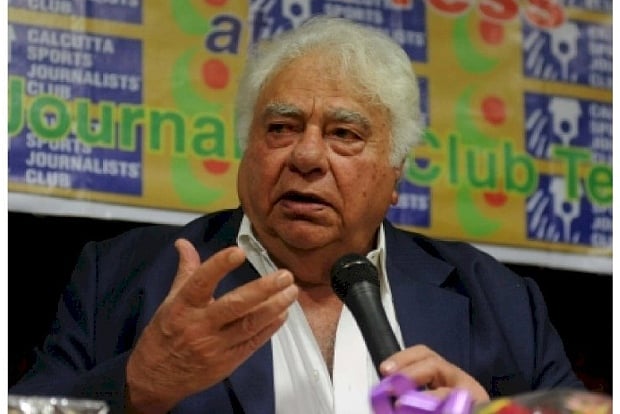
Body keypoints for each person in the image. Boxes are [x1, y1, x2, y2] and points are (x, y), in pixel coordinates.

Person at [10, 15, 583, 414]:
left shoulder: (500, 302)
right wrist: (138, 385)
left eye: (344, 134)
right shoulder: (120, 277)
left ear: (395, 174)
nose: (306, 156)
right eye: (281, 128)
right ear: (246, 153)